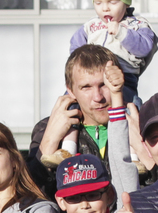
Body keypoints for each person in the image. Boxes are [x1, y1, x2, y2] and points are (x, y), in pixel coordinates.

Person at [31, 45, 124, 179]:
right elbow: (31, 193)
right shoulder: (47, 128)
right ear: (70, 91)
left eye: (104, 84)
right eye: (86, 87)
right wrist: (49, 141)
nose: (98, 97)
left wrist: (139, 147)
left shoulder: (140, 124)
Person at [69, 0, 158, 101]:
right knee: (69, 101)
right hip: (93, 80)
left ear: (126, 2)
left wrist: (121, 32)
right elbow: (75, 50)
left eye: (112, 2)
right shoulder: (91, 26)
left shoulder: (137, 25)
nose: (105, 8)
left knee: (131, 107)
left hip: (125, 78)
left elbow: (145, 47)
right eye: (98, 3)